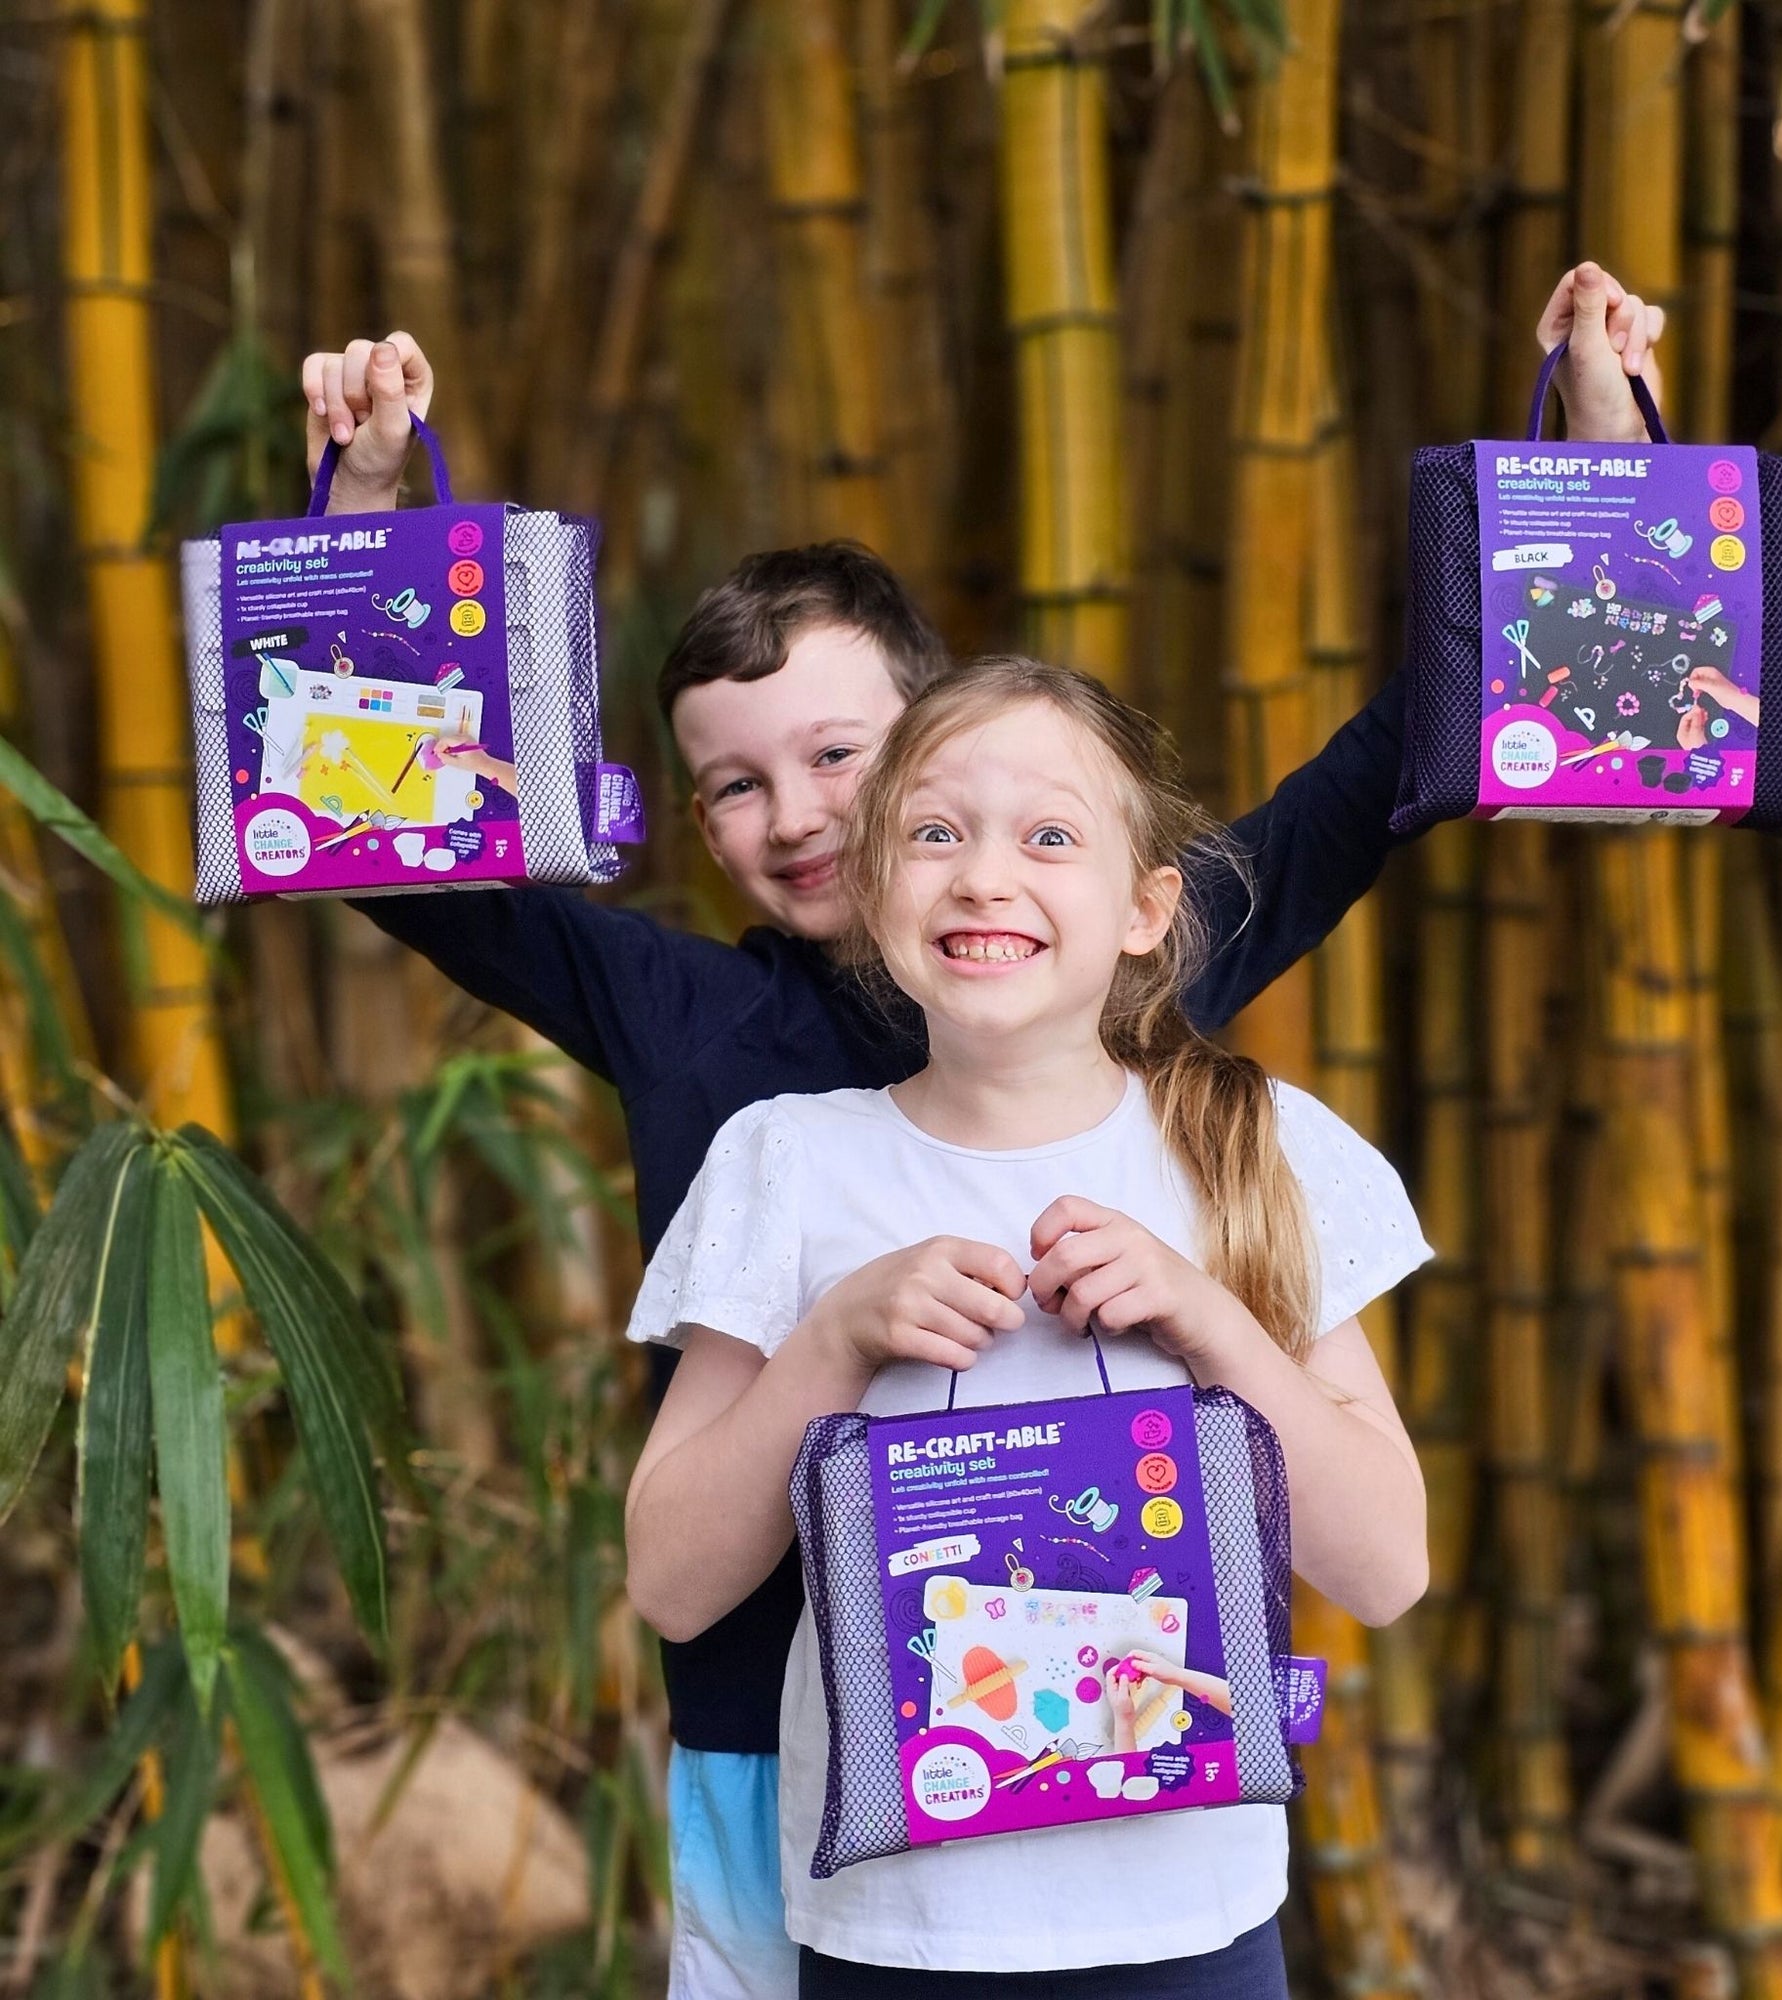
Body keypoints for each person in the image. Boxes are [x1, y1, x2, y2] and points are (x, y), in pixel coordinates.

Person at [304, 260, 1665, 1998]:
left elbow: (1388, 766)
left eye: (849, 761)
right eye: (735, 783)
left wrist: (1602, 450)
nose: (799, 816)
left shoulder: (1108, 992)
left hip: (1133, 1787)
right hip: (778, 1757)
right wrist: (362, 501)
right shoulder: (697, 1031)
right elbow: (397, 840)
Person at [622, 657, 1431, 1994]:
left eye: (1049, 837)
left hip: (1191, 1926)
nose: (985, 877)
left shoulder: (1257, 1148)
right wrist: (832, 1341)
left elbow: (1389, 1568)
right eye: (934, 833)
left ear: (1146, 905)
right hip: (891, 1930)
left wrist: (1214, 1324)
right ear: (874, 889)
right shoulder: (786, 1161)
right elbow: (670, 1583)